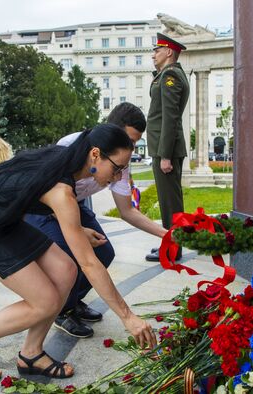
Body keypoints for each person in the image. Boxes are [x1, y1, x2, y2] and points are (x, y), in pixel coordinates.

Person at [0, 124, 156, 385]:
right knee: (45, 301)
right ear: (95, 154)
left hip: (6, 223)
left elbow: (30, 196)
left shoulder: (63, 164)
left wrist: (78, 229)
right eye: (117, 168)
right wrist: (128, 317)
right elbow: (90, 264)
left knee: (66, 269)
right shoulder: (62, 189)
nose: (118, 177)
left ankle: (31, 354)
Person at [25, 102, 167, 338]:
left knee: (104, 252)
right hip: (42, 206)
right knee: (71, 258)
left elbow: (127, 210)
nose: (131, 148)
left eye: (134, 143)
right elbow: (45, 193)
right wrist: (78, 230)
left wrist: (167, 234)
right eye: (129, 141)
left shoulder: (121, 159)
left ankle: (72, 301)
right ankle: (61, 310)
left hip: (74, 204)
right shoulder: (70, 146)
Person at [145, 33, 190, 262]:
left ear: (169, 52)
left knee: (171, 202)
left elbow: (170, 118)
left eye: (157, 50)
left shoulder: (170, 75)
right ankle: (170, 243)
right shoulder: (166, 75)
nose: (153, 55)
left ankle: (173, 249)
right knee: (169, 200)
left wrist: (165, 155)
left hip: (166, 150)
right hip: (164, 148)